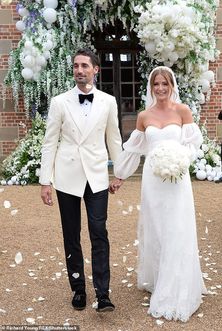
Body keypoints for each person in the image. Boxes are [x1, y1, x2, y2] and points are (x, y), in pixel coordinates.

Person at [114, 66, 207, 322]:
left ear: (172, 85)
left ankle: (177, 286)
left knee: (177, 228)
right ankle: (159, 278)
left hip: (177, 179)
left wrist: (180, 160)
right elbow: (134, 148)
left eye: (165, 84)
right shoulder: (144, 116)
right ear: (151, 87)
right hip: (153, 181)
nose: (161, 88)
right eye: (156, 84)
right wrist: (120, 175)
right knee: (156, 228)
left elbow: (192, 143)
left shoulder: (183, 111)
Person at [39, 48, 123, 312]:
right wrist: (45, 181)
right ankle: (78, 289)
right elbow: (49, 142)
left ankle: (103, 293)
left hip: (97, 178)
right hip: (67, 179)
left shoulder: (108, 101)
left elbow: (114, 139)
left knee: (99, 233)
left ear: (95, 69)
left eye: (85, 66)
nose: (79, 70)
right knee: (71, 236)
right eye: (76, 66)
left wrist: (118, 173)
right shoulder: (59, 102)